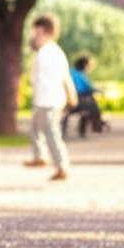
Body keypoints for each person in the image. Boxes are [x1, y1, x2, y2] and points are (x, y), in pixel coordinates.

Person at [24, 14, 78, 181]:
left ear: (47, 33)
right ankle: (40, 156)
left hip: (50, 100)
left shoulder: (52, 52)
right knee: (35, 129)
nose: (35, 37)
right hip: (43, 100)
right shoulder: (44, 52)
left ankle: (62, 166)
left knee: (52, 133)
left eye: (38, 33)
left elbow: (64, 77)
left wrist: (71, 95)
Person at [62, 55, 105, 138]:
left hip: (66, 100)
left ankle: (95, 126)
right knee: (92, 106)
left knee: (90, 104)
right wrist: (98, 90)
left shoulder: (70, 72)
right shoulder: (80, 75)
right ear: (85, 65)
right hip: (76, 101)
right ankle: (97, 126)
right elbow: (86, 88)